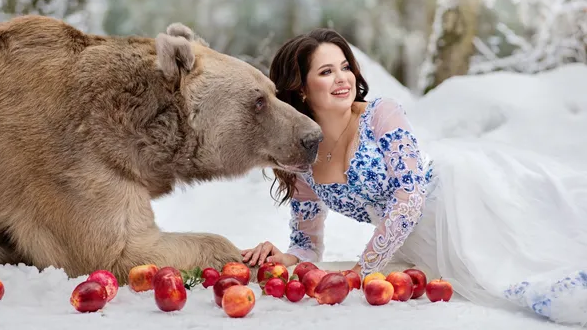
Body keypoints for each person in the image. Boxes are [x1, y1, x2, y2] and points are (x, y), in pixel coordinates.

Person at [241, 28, 587, 326]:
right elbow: (307, 245)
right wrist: (284, 258)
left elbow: (409, 196)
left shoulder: (381, 114)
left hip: (460, 201)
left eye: (346, 67)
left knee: (527, 263)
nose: (343, 78)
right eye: (327, 71)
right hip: (414, 242)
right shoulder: (304, 158)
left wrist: (362, 271)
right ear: (301, 88)